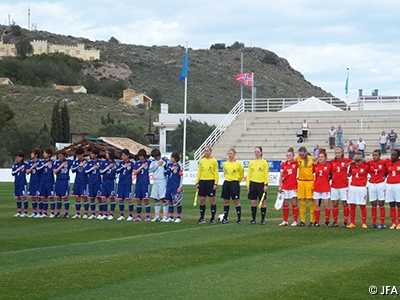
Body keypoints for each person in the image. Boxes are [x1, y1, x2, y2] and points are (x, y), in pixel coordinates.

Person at [195, 146, 219, 224]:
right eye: (205, 151)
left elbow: (216, 173)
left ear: (210, 151)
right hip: (202, 181)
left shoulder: (214, 161)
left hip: (210, 181)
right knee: (202, 200)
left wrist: (216, 183)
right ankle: (202, 217)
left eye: (207, 151)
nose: (206, 152)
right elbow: (199, 172)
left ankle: (212, 218)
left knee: (212, 200)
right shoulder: (202, 161)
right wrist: (197, 182)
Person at [330, 147, 352, 227]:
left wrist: (349, 171)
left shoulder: (346, 160)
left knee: (345, 203)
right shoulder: (332, 161)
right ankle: (335, 221)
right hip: (334, 185)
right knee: (335, 203)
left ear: (342, 153)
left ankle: (345, 221)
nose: (337, 154)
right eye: (336, 153)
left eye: (339, 153)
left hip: (344, 185)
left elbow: (355, 161)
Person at [246, 146, 269, 225]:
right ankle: (253, 219)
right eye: (255, 151)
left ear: (261, 153)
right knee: (253, 202)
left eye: (258, 152)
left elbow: (266, 174)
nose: (256, 153)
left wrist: (266, 184)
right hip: (253, 183)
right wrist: (247, 185)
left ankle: (262, 219)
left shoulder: (264, 163)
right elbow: (249, 174)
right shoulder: (252, 162)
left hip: (261, 184)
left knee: (262, 202)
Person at [221, 149, 244, 225]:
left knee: (236, 201)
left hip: (234, 183)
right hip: (227, 183)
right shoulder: (225, 164)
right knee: (226, 201)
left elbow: (241, 174)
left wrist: (237, 181)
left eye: (231, 153)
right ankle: (225, 218)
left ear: (234, 154)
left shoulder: (238, 164)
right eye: (229, 153)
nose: (229, 155)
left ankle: (239, 219)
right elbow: (225, 173)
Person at [278, 147, 298, 227]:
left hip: (293, 187)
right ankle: (285, 220)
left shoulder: (296, 163)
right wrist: (280, 186)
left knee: (294, 203)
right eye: (287, 155)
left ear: (293, 156)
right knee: (285, 204)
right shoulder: (283, 164)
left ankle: (295, 221)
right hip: (285, 186)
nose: (288, 157)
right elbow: (281, 176)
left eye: (290, 155)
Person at [367, 150, 388, 229]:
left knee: (381, 203)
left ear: (379, 156)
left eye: (376, 155)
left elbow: (388, 169)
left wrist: (384, 176)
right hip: (372, 184)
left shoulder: (383, 162)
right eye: (373, 155)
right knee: (373, 204)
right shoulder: (370, 163)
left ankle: (382, 223)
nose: (374, 156)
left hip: (380, 184)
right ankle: (374, 223)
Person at [347, 153, 369, 229]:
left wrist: (366, 161)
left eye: (358, 161)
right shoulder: (352, 166)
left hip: (362, 188)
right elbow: (347, 171)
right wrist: (350, 163)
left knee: (362, 205)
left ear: (361, 160)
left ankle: (364, 223)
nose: (357, 163)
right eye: (356, 161)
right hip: (353, 187)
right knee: (352, 205)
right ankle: (352, 222)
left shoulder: (366, 166)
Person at [296, 146, 315, 227]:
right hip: (301, 182)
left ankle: (312, 220)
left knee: (311, 200)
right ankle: (302, 220)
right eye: (300, 154)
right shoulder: (297, 159)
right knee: (302, 200)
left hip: (310, 182)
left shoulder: (312, 159)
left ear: (305, 153)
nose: (301, 156)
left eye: (303, 154)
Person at [313, 149, 332, 227]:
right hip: (317, 188)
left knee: (326, 205)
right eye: (319, 157)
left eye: (322, 157)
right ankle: (317, 221)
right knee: (317, 206)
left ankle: (327, 221)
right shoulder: (315, 166)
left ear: (325, 158)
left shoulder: (328, 166)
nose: (320, 158)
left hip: (325, 188)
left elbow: (332, 175)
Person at [148, 149, 168, 222]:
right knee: (156, 199)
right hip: (155, 180)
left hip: (162, 180)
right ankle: (157, 216)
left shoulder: (165, 161)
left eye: (156, 156)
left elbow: (167, 169)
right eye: (154, 157)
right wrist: (157, 165)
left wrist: (164, 164)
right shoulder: (153, 162)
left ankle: (165, 216)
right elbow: (150, 170)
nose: (155, 158)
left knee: (163, 198)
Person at [52, 150, 73, 218]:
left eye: (61, 156)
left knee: (65, 197)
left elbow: (76, 162)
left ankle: (66, 213)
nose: (60, 157)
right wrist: (61, 166)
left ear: (64, 156)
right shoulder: (57, 162)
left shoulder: (68, 161)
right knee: (58, 197)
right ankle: (58, 213)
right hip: (58, 181)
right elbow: (55, 172)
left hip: (65, 181)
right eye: (59, 156)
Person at [115, 149, 134, 221]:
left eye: (124, 156)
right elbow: (117, 170)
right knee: (120, 200)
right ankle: (122, 215)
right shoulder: (121, 163)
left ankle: (130, 215)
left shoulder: (131, 163)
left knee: (129, 199)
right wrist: (124, 166)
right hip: (121, 183)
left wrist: (128, 166)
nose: (123, 157)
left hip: (128, 183)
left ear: (128, 156)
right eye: (122, 156)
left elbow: (133, 170)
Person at [133, 149, 152, 222]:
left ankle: (147, 216)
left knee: (146, 200)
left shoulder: (149, 162)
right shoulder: (137, 163)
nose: (140, 157)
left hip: (145, 183)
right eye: (139, 156)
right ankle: (138, 216)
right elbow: (135, 172)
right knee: (138, 200)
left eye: (141, 156)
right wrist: (141, 167)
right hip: (138, 183)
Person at [164, 152, 183, 222]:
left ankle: (178, 217)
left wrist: (180, 187)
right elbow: (165, 173)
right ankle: (171, 217)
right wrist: (171, 169)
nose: (171, 159)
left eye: (172, 157)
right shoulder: (169, 165)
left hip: (175, 186)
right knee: (170, 201)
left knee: (177, 201)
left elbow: (181, 177)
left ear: (175, 158)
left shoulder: (179, 166)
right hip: (169, 186)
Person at [98, 148, 116, 220]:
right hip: (104, 181)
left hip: (111, 181)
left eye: (107, 153)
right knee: (103, 197)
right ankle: (105, 214)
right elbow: (101, 172)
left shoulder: (115, 163)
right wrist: (108, 167)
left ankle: (111, 214)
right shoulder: (103, 162)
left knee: (112, 198)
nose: (106, 155)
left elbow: (117, 171)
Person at [84, 148, 102, 219]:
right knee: (91, 198)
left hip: (98, 182)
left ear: (96, 155)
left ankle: (100, 214)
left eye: (92, 154)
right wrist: (93, 168)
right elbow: (85, 172)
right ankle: (93, 214)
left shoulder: (100, 162)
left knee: (99, 198)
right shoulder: (89, 163)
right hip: (90, 182)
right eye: (90, 154)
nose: (90, 155)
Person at [36, 148, 55, 218]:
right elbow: (38, 169)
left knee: (51, 197)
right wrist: (45, 165)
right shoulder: (41, 162)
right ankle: (45, 213)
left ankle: (52, 213)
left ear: (49, 154)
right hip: (42, 181)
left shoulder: (53, 162)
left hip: (50, 182)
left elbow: (55, 170)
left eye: (45, 153)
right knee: (43, 197)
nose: (44, 154)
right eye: (43, 153)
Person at [71, 147, 88, 219]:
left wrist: (84, 164)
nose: (78, 156)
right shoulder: (76, 162)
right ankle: (77, 213)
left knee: (84, 197)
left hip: (84, 181)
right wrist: (80, 165)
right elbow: (73, 170)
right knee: (77, 197)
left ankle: (86, 214)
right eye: (77, 155)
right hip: (77, 181)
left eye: (79, 155)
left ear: (82, 154)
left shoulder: (87, 162)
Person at [385, 149, 400, 229]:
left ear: (398, 156)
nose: (392, 156)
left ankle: (399, 223)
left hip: (398, 185)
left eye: (394, 155)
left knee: (399, 204)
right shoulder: (388, 164)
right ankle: (393, 223)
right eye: (391, 154)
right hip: (389, 185)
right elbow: (385, 173)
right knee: (391, 204)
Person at [12, 152, 28, 217]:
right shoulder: (15, 164)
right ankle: (19, 212)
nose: (17, 159)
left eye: (18, 158)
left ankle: (25, 212)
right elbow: (13, 173)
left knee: (24, 197)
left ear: (22, 158)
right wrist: (18, 169)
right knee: (18, 197)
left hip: (23, 183)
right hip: (17, 182)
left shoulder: (26, 164)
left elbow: (28, 171)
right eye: (16, 158)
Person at [26, 148, 41, 217]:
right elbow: (27, 172)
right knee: (33, 197)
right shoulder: (30, 162)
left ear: (36, 155)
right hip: (32, 181)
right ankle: (34, 212)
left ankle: (40, 212)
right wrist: (32, 167)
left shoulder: (40, 162)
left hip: (39, 181)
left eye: (32, 153)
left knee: (39, 197)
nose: (31, 155)